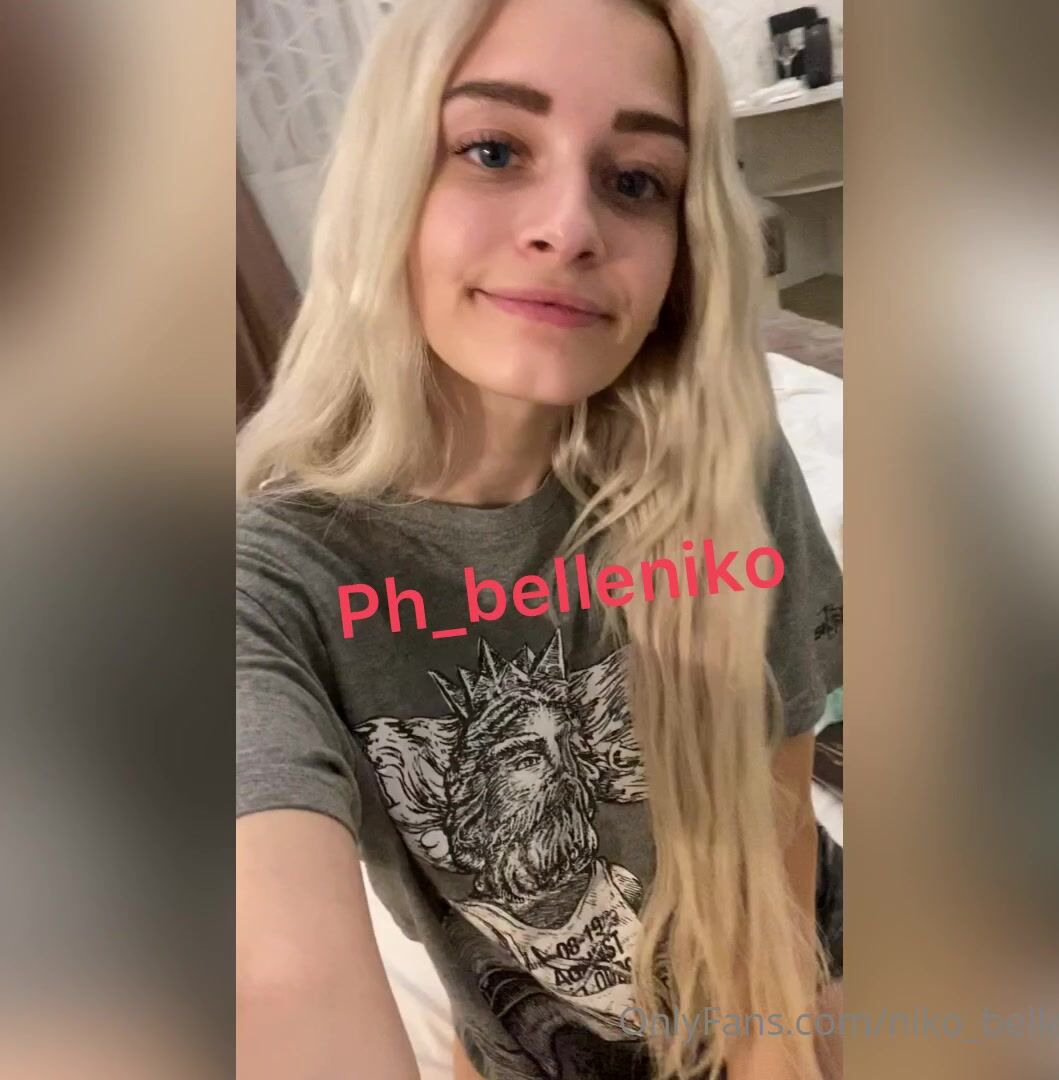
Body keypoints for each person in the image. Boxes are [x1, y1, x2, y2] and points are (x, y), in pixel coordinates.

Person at [235, 0, 844, 1077]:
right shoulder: (268, 580)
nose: (569, 228)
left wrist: (779, 1051)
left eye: (636, 180)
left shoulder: (724, 461)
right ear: (390, 185)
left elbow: (777, 822)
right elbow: (280, 977)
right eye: (492, 150)